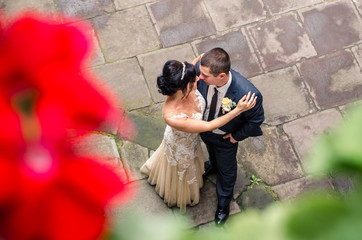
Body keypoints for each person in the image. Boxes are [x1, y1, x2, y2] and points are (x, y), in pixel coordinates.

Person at [140, 60, 257, 212]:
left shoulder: (185, 79)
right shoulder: (171, 116)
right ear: (182, 88)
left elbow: (202, 58)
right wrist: (238, 110)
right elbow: (209, 126)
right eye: (194, 80)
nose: (199, 79)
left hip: (194, 139)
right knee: (183, 169)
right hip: (182, 144)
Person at [193, 48, 264, 225]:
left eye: (205, 76)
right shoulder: (200, 70)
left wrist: (235, 137)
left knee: (227, 170)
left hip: (226, 138)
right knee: (211, 153)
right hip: (205, 130)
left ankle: (224, 203)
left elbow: (256, 120)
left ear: (222, 76)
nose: (199, 78)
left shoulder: (247, 94)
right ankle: (212, 165)